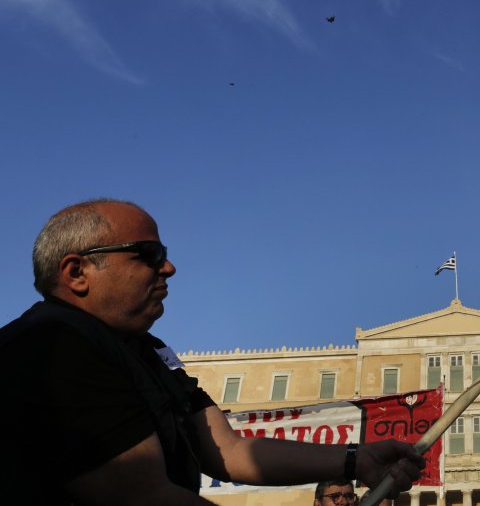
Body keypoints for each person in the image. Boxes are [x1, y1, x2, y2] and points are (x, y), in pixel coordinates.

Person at [0, 199, 425, 506]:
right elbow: (144, 495)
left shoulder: (149, 353)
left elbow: (229, 450)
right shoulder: (52, 345)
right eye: (150, 254)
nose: (168, 268)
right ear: (77, 272)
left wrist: (357, 459)